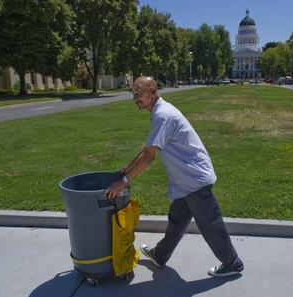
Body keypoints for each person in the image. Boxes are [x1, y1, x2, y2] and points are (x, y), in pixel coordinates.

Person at [104, 76, 244, 277]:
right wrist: (128, 166)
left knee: (210, 223)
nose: (135, 98)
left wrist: (124, 181)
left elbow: (150, 156)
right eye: (133, 93)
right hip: (184, 180)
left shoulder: (163, 115)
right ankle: (160, 255)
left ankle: (233, 263)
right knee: (177, 221)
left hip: (194, 179)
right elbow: (148, 147)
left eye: (139, 93)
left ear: (152, 91)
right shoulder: (160, 113)